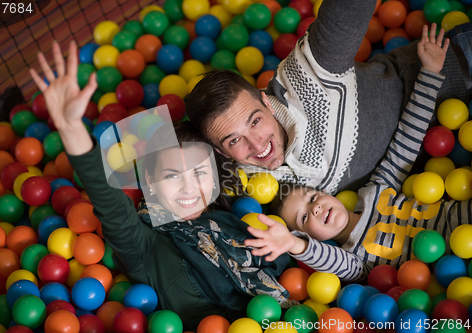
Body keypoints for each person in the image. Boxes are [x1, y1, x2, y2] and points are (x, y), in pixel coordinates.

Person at [29, 41, 292, 331]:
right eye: (172, 176)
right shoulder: (145, 246)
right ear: (150, 184)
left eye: (199, 173)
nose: (190, 188)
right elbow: (111, 206)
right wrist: (71, 129)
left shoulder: (227, 222)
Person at [243, 24, 471, 282]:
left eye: (312, 198)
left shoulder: (377, 191)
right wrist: (294, 245)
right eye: (304, 217)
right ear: (310, 237)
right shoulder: (356, 259)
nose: (316, 208)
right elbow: (336, 263)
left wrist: (430, 74)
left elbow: (407, 141)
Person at [184, 0, 471, 195]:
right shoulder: (242, 181)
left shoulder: (309, 77)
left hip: (456, 68)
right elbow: (160, 195)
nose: (258, 145)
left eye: (255, 121)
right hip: (446, 178)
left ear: (266, 102)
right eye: (234, 140)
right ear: (219, 152)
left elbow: (347, 10)